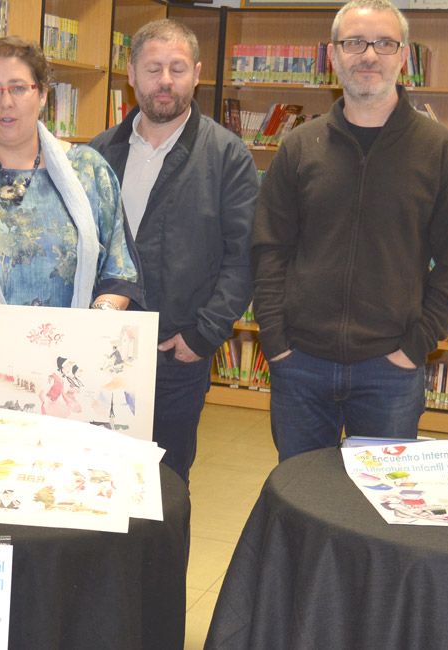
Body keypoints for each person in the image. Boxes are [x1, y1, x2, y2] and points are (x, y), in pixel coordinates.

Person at [251, 0, 448, 461]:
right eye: (354, 42)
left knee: (380, 511)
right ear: (333, 56)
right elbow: (269, 249)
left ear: (403, 55)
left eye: (383, 43)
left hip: (390, 370)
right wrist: (275, 342)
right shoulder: (299, 147)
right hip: (301, 365)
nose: (368, 55)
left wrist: (415, 348)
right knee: (300, 501)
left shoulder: (443, 152)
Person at [0, 37, 142, 433]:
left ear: (43, 94)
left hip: (72, 375)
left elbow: (120, 270)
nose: (6, 102)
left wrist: (91, 328)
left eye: (18, 87)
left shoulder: (89, 170)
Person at [90, 19, 257, 482]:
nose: (165, 81)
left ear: (197, 73)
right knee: (96, 477)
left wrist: (203, 336)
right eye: (154, 68)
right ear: (131, 73)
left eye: (177, 69)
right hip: (103, 348)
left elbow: (243, 257)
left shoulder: (227, 156)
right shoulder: (99, 153)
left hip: (176, 351)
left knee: (166, 484)